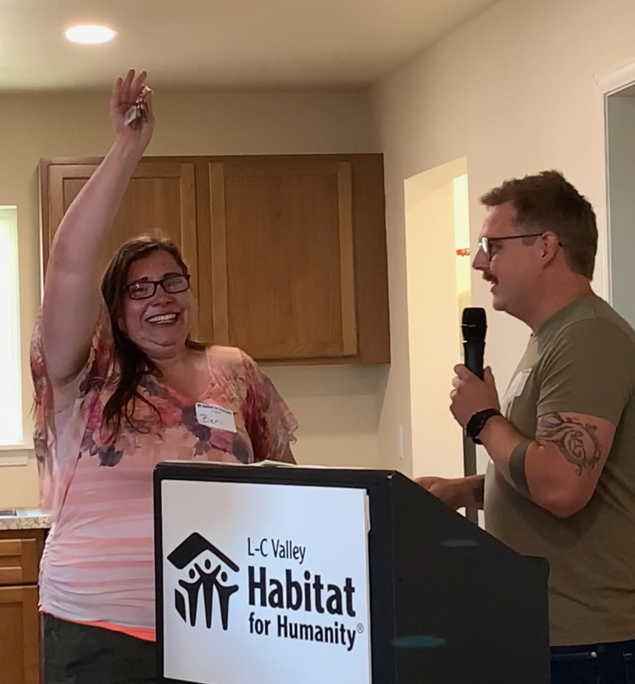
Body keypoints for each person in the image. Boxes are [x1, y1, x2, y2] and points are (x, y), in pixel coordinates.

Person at [31, 69, 298, 684]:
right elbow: (68, 264)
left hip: (224, 622)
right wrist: (128, 147)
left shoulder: (237, 372)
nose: (161, 297)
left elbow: (284, 484)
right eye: (139, 288)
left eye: (172, 281)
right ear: (115, 308)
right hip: (98, 628)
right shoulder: (88, 372)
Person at [417, 170, 635, 684]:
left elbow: (560, 486)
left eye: (492, 246)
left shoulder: (588, 337)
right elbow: (550, 467)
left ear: (546, 247)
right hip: (549, 635)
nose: (479, 263)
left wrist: (483, 419)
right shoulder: (553, 338)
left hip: (589, 646)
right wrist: (468, 490)